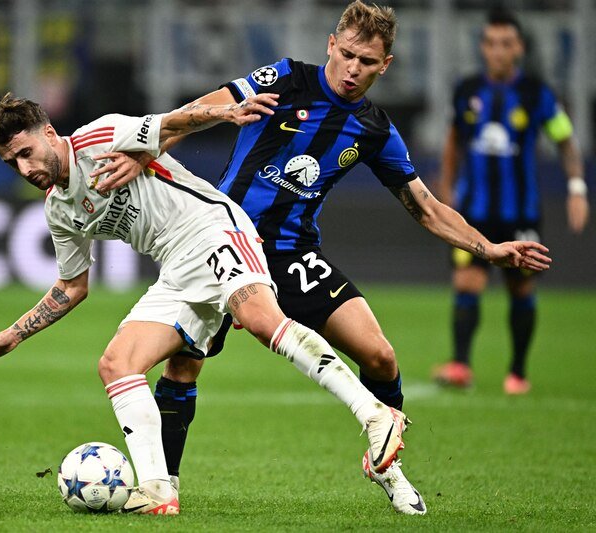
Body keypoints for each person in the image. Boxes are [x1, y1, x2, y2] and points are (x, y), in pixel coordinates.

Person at [89, 0, 551, 515]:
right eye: (347, 54)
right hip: (222, 238)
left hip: (291, 254)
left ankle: (386, 464)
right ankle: (165, 486)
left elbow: (425, 207)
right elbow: (205, 108)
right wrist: (145, 149)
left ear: (386, 65)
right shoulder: (285, 79)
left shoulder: (375, 130)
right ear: (331, 44)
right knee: (183, 366)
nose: (353, 69)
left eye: (368, 62)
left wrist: (488, 249)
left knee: (380, 356)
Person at [0, 91, 427, 515]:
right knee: (116, 363)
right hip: (176, 269)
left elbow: (171, 124)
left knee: (262, 321)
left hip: (213, 229)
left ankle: (374, 413)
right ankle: (159, 490)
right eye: (12, 163)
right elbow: (72, 287)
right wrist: (11, 335)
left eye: (25, 153)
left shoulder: (96, 138)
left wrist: (224, 113)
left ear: (49, 133)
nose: (25, 169)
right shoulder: (58, 208)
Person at [433, 8, 588, 394]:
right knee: (466, 282)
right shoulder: (467, 90)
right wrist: (446, 187)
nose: (497, 51)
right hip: (473, 212)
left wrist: (577, 188)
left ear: (518, 47)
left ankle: (517, 372)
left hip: (520, 211)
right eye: (490, 43)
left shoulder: (537, 94)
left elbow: (565, 141)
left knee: (520, 289)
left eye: (505, 43)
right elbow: (454, 140)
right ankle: (460, 365)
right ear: (482, 46)